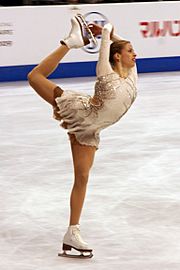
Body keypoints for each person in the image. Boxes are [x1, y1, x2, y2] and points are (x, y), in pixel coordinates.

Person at [28, 14, 137, 258]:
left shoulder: (131, 74)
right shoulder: (106, 73)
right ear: (117, 56)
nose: (135, 54)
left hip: (91, 129)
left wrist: (105, 32)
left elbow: (115, 38)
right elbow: (110, 41)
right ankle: (69, 43)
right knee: (34, 77)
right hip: (81, 110)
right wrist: (105, 33)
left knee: (82, 177)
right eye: (130, 51)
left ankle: (72, 233)